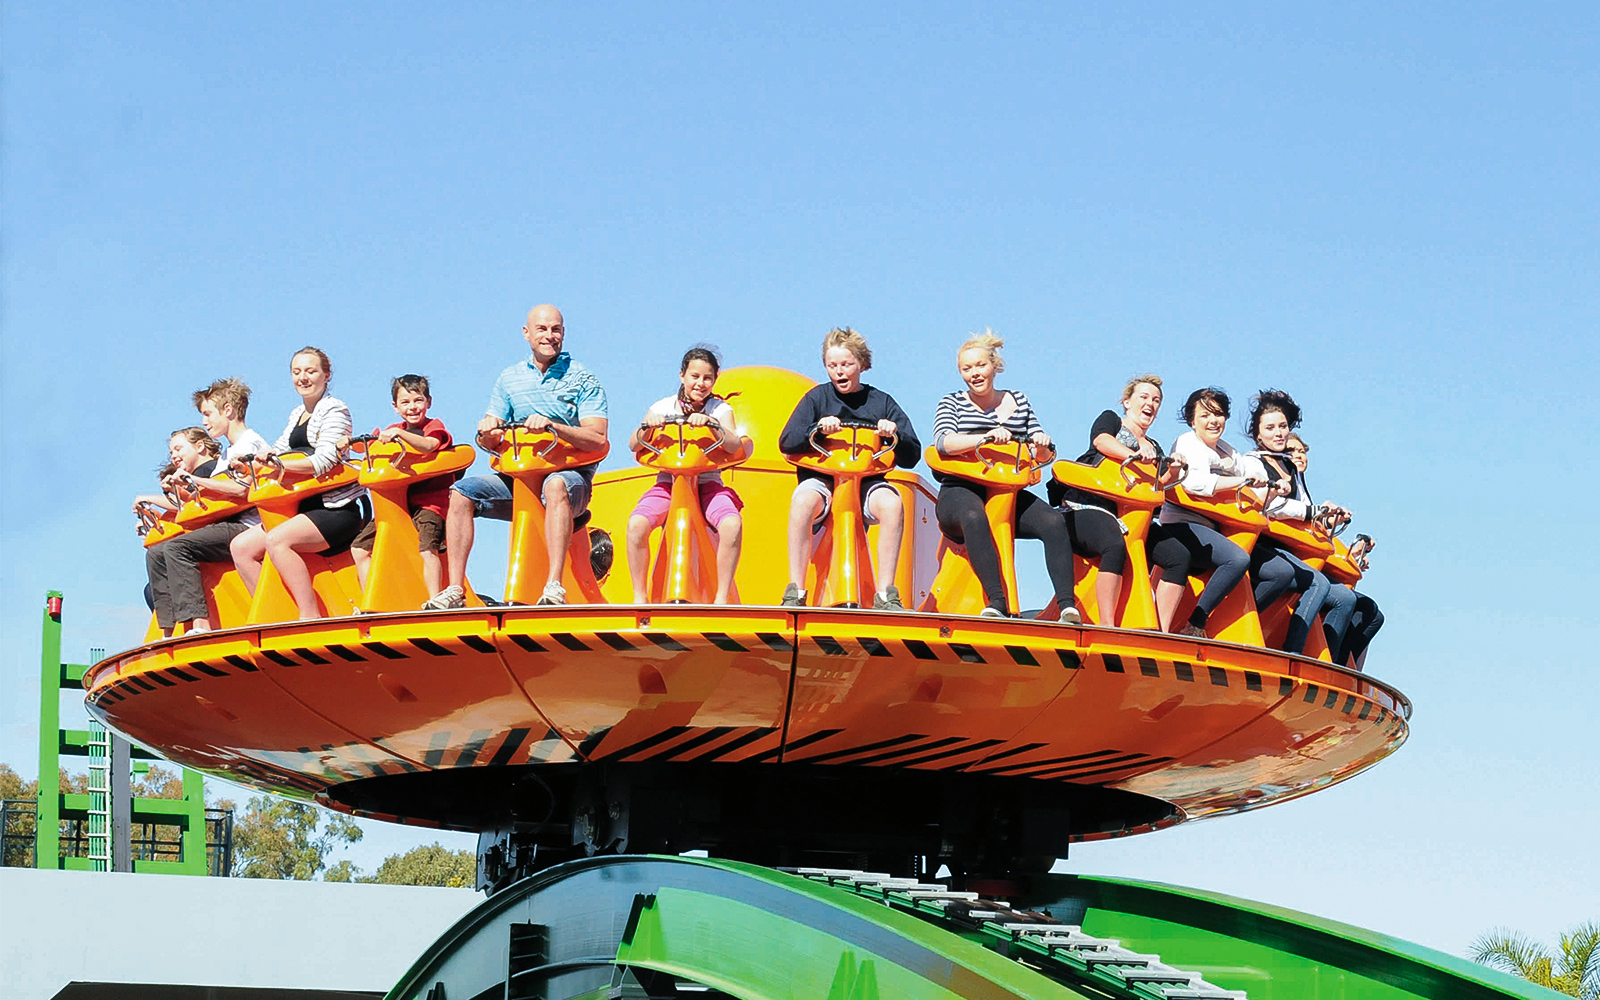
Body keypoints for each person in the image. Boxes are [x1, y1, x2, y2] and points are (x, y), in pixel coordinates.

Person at [424, 304, 609, 609]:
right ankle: (455, 589)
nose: (549, 335)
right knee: (460, 493)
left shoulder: (583, 378)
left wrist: (554, 427)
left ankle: (554, 586)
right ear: (526, 334)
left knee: (555, 485)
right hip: (521, 481)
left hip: (570, 478)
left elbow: (597, 438)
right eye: (542, 329)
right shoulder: (509, 379)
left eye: (556, 329)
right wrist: (486, 431)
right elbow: (489, 438)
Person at [931, 332, 1077, 621]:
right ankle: (996, 600)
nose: (974, 374)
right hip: (961, 487)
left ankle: (1067, 605)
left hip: (1006, 491)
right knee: (975, 516)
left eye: (980, 366)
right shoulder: (952, 402)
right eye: (966, 369)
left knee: (1052, 521)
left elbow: (1041, 456)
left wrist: (1042, 447)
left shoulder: (1019, 400)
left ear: (994, 366)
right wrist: (984, 437)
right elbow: (943, 442)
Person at [777, 327, 920, 609]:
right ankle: (796, 589)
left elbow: (912, 454)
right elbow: (786, 441)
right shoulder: (817, 398)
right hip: (823, 480)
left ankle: (885, 593)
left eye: (846, 365)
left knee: (892, 504)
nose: (839, 372)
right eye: (832, 365)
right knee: (803, 500)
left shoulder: (882, 402)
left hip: (867, 482)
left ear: (861, 365)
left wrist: (894, 434)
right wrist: (816, 429)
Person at [230, 347, 368, 620]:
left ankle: (309, 615)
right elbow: (278, 451)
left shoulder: (335, 409)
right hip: (300, 509)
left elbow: (325, 459)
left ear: (326, 376)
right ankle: (274, 613)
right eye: (297, 372)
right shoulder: (296, 414)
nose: (303, 377)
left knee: (277, 541)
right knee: (241, 548)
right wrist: (250, 466)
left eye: (310, 371)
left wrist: (278, 466)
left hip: (335, 509)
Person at [1047, 374, 1189, 625]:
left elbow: (1160, 483)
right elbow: (1101, 440)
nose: (1150, 404)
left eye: (1156, 400)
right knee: (1115, 544)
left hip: (1133, 518)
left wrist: (1175, 469)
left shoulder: (1154, 447)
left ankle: (1161, 628)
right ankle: (1108, 624)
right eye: (1144, 397)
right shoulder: (1112, 421)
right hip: (1087, 506)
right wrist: (1134, 454)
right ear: (1127, 402)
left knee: (1179, 555)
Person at [147, 378, 271, 635]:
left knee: (177, 548)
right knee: (156, 554)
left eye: (207, 414)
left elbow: (242, 489)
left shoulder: (249, 444)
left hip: (248, 524)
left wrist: (195, 480)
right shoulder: (229, 452)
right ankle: (168, 631)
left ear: (228, 410)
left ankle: (200, 625)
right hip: (228, 523)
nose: (204, 422)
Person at [1155, 387, 1278, 637]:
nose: (1213, 421)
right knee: (1238, 559)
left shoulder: (1229, 451)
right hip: (1183, 524)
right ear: (1192, 420)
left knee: (1280, 573)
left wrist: (1268, 488)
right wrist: (1239, 481)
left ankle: (1230, 625)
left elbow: (1253, 484)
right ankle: (1196, 624)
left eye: (1219, 414)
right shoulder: (1186, 442)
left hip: (1216, 528)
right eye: (1205, 415)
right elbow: (1194, 483)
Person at [626, 346, 745, 604]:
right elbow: (633, 444)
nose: (700, 384)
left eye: (707, 378)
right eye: (695, 376)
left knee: (732, 525)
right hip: (668, 483)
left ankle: (721, 597)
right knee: (636, 525)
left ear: (714, 380)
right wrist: (648, 427)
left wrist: (712, 426)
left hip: (707, 485)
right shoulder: (662, 406)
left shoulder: (719, 410)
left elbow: (735, 445)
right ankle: (639, 596)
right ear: (682, 375)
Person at [1246, 390, 1357, 655]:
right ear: (1258, 435)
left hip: (1293, 547)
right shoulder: (1253, 462)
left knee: (1345, 598)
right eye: (1270, 428)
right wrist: (1312, 512)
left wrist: (1328, 516)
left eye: (1282, 426)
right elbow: (1271, 506)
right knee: (1317, 582)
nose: (1278, 433)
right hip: (1264, 544)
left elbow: (1305, 510)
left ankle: (1326, 658)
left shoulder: (1292, 468)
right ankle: (1292, 653)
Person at [343, 374, 454, 596]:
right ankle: (372, 601)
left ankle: (435, 598)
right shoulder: (394, 428)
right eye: (405, 402)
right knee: (359, 548)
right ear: (395, 406)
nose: (412, 407)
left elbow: (429, 445)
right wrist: (349, 442)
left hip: (428, 503)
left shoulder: (432, 426)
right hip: (397, 504)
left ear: (428, 402)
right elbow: (372, 445)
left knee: (427, 548)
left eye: (417, 401)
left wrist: (400, 434)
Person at [1289, 433, 1384, 668]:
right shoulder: (1281, 488)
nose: (1298, 455)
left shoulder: (1302, 490)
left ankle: (1344, 665)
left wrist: (1353, 554)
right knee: (1343, 598)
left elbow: (1316, 534)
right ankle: (1320, 662)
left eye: (1302, 451)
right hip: (1289, 558)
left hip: (1311, 559)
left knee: (1372, 613)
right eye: (1292, 451)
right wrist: (1320, 514)